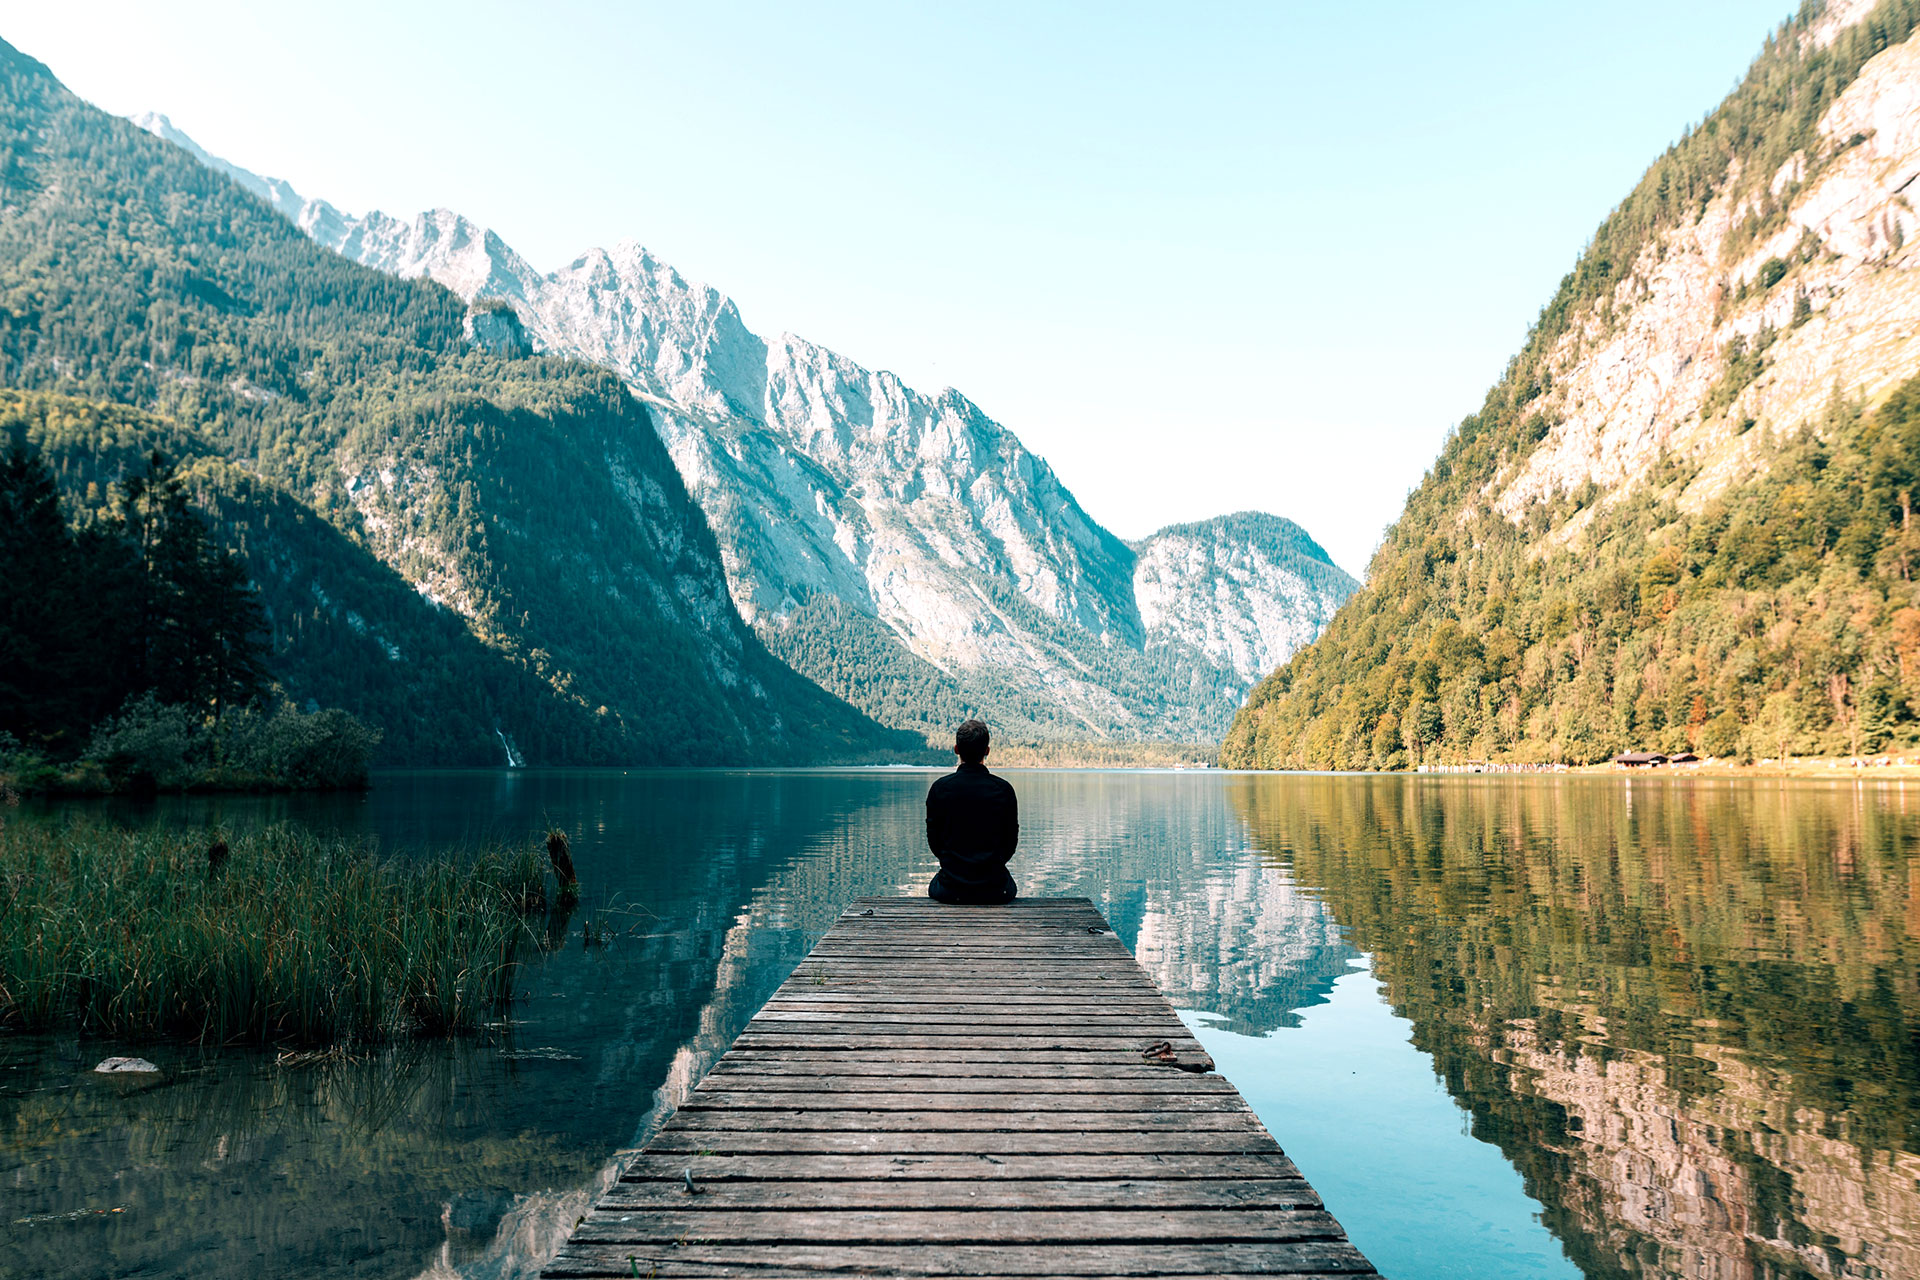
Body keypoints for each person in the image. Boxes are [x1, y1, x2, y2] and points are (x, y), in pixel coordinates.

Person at [924, 718, 1018, 904]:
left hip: (950, 889)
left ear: (956, 750)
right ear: (987, 751)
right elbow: (1010, 843)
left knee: (936, 883)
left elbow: (935, 841)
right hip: (996, 890)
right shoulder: (1004, 789)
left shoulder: (940, 789)